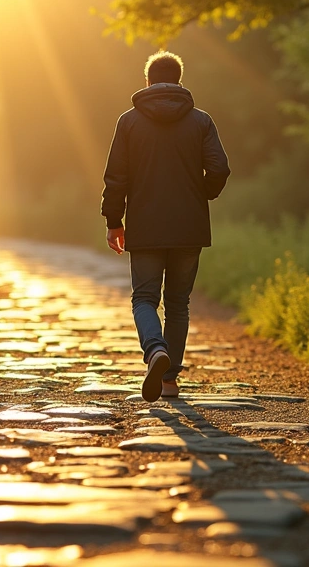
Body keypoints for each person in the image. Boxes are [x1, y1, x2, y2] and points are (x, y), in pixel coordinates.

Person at [100, 50, 231, 402]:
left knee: (144, 298)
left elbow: (116, 178)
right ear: (179, 80)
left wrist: (114, 221)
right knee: (178, 303)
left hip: (145, 227)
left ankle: (155, 350)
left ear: (147, 82)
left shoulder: (128, 122)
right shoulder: (201, 121)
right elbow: (219, 169)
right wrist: (199, 195)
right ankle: (169, 379)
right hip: (189, 227)